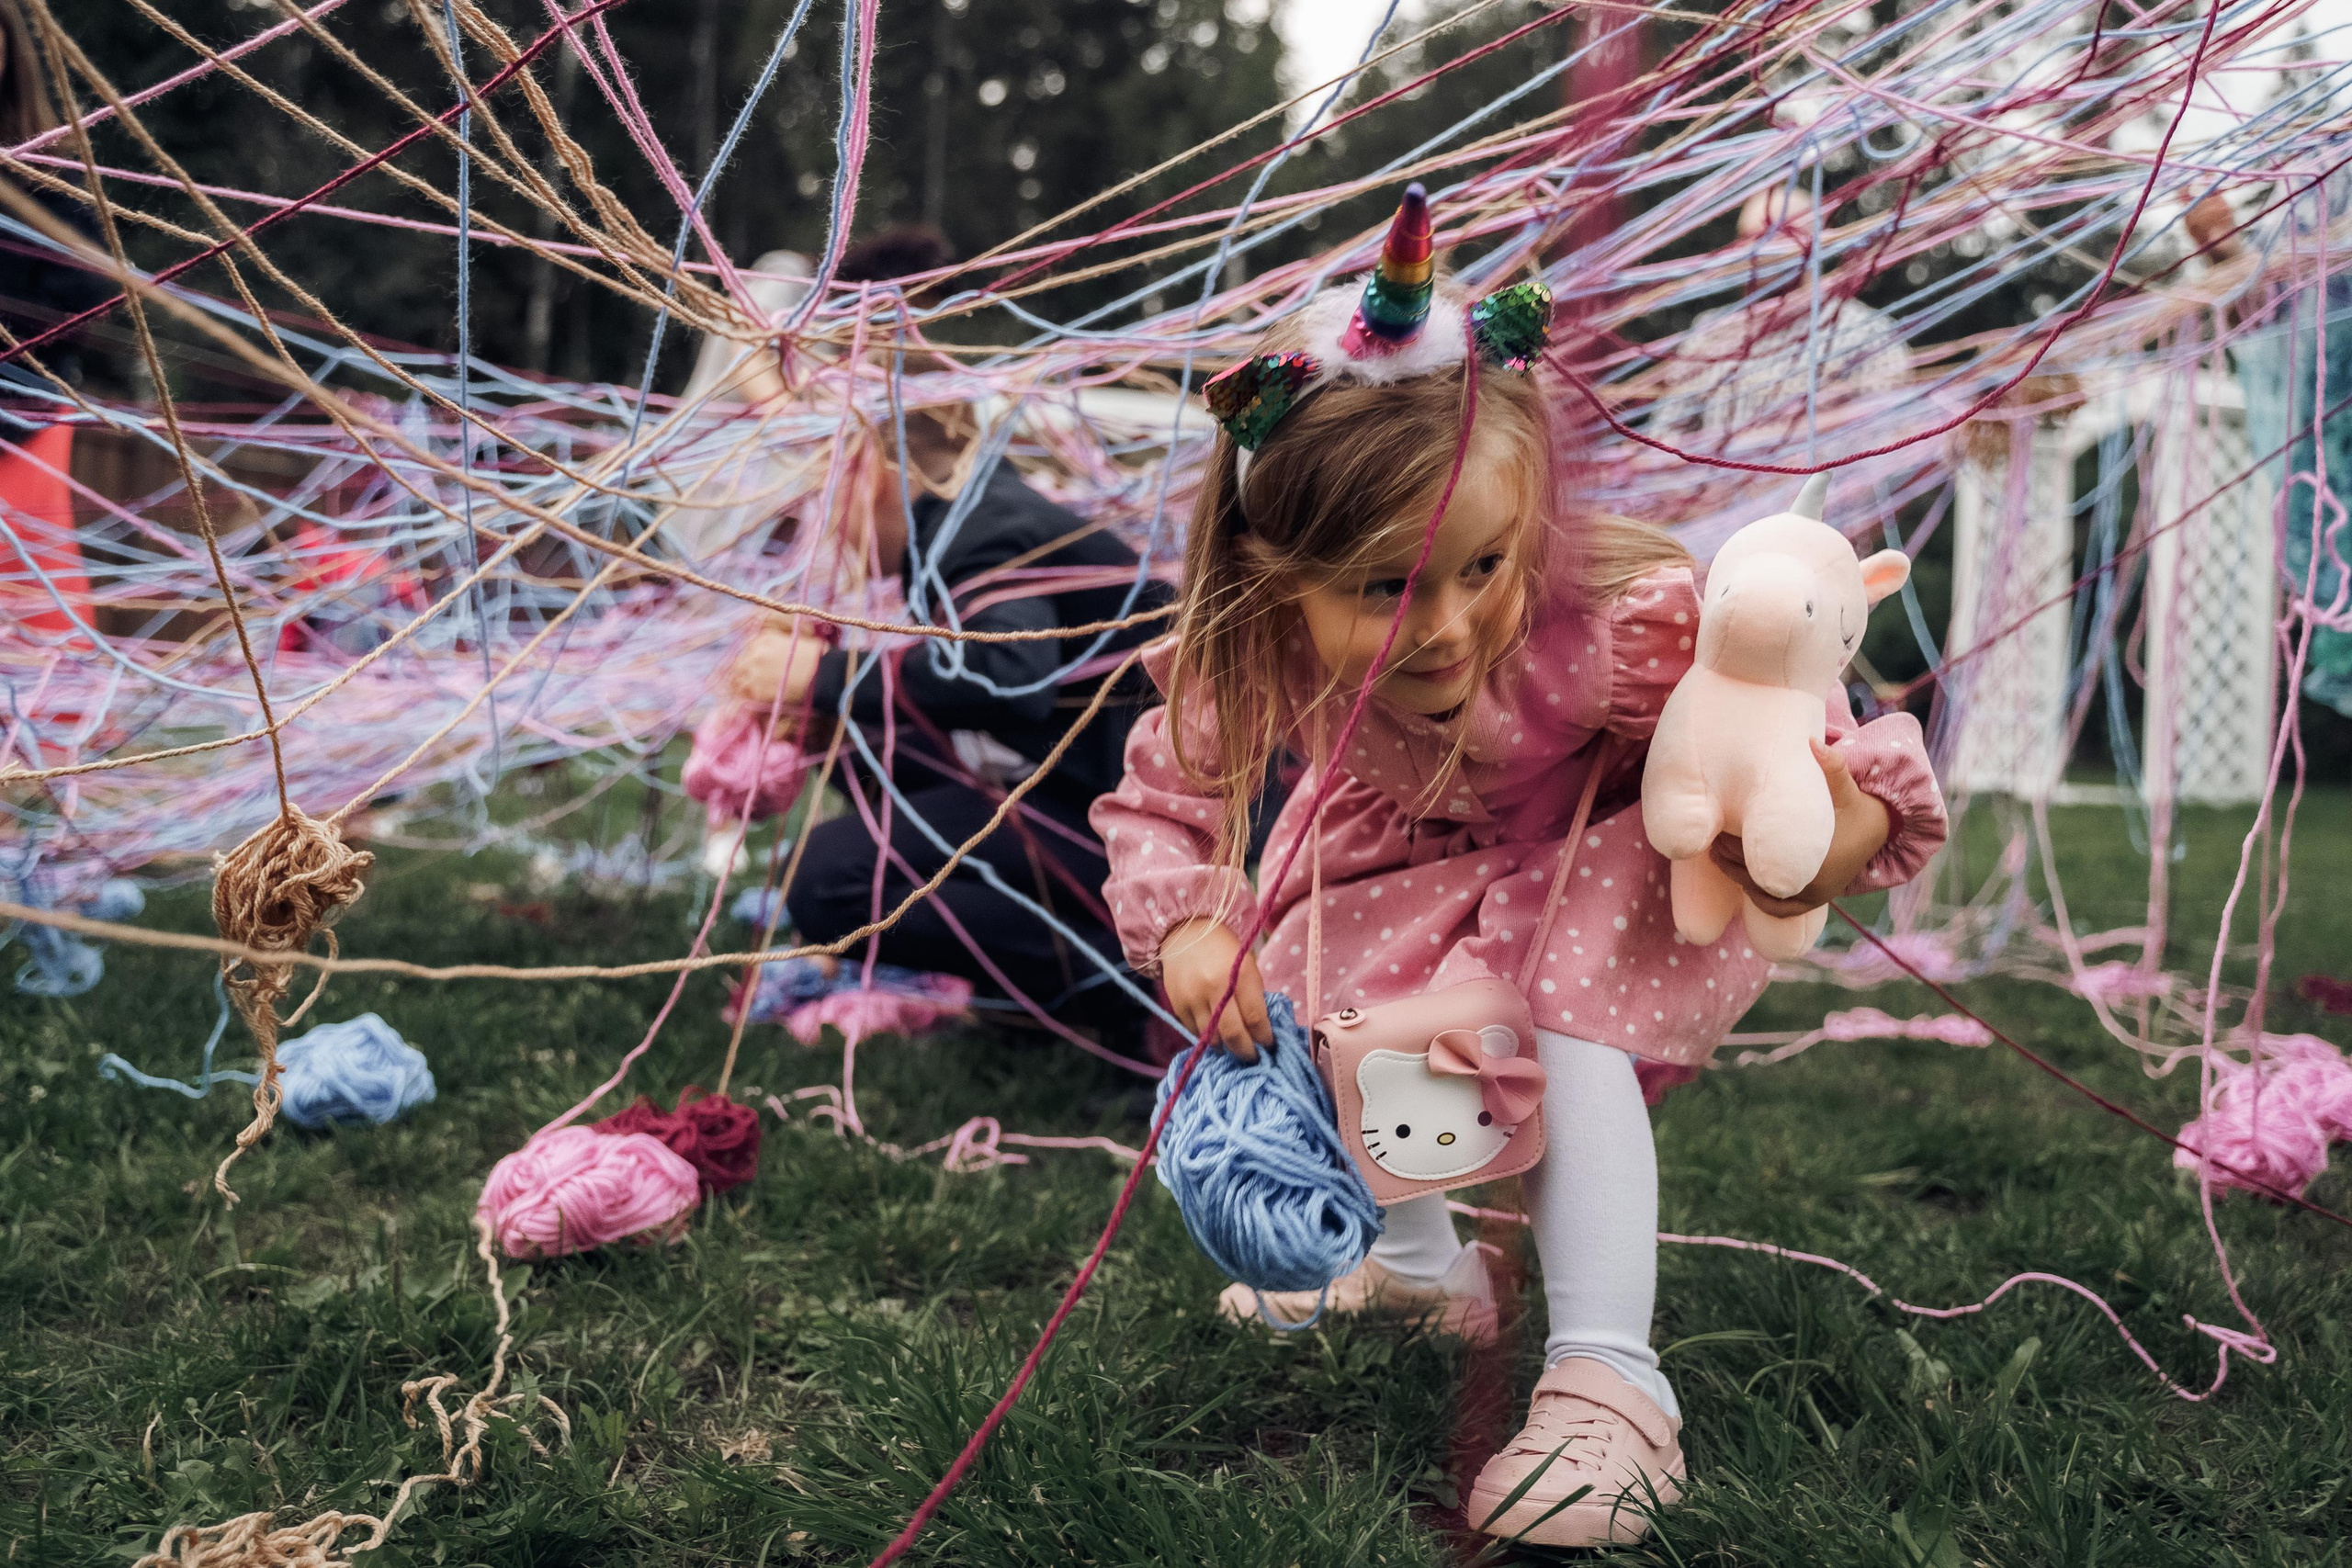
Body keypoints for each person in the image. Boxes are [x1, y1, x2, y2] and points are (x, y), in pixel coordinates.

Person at [1091, 188, 1948, 1548]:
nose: (1444, 626)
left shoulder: (1609, 621)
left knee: (1563, 1024)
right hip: (1395, 865)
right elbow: (1167, 788)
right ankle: (1424, 1269)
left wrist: (1821, 831)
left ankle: (1612, 1375)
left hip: (1593, 867)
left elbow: (1790, 733)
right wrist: (1192, 916)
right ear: (1274, 569)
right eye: (1383, 587)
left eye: (1478, 563)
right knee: (1362, 1025)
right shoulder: (1257, 642)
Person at [725, 228, 1179, 1052]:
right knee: (870, 740)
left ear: (880, 462)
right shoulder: (970, 515)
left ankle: (1126, 987)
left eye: (835, 476)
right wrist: (835, 704)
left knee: (829, 882)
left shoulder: (978, 523)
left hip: (1155, 835)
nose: (829, 517)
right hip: (1095, 802)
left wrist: (822, 671)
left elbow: (1012, 672)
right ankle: (1056, 988)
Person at [0, 0, 108, 643]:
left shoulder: (51, 174)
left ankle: (47, 724)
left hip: (27, 414)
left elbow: (87, 294)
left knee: (33, 595)